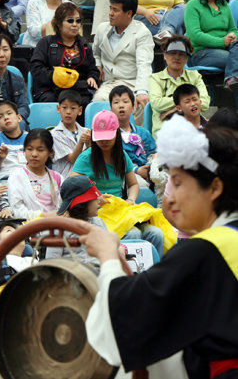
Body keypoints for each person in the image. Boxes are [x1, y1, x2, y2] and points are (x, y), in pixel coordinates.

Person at [81, 115, 238, 379]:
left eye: (178, 182)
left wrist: (108, 257)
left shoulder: (204, 250)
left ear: (214, 188)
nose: (171, 198)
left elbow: (127, 316)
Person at [71, 109, 164, 254]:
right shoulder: (86, 158)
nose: (104, 141)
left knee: (156, 233)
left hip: (119, 212)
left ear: (117, 134)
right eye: (100, 137)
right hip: (98, 215)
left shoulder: (122, 156)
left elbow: (133, 184)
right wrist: (94, 198)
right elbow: (70, 187)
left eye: (108, 137)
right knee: (134, 234)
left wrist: (131, 199)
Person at [92, 0, 154, 122]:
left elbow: (144, 64)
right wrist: (98, 64)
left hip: (132, 83)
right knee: (98, 103)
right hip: (110, 83)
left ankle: (135, 140)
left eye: (115, 10)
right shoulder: (102, 28)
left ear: (129, 13)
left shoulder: (142, 33)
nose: (110, 13)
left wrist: (142, 91)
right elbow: (95, 52)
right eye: (110, 8)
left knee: (139, 105)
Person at [30, 2, 100, 111]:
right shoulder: (46, 42)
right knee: (51, 101)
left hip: (77, 89)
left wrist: (92, 77)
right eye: (70, 20)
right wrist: (57, 76)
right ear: (58, 23)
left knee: (85, 103)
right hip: (51, 89)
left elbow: (92, 69)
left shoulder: (84, 45)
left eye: (78, 21)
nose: (75, 24)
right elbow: (36, 68)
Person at [185, 0, 238, 95]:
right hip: (202, 52)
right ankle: (231, 78)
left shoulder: (224, 5)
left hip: (228, 49)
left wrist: (232, 36)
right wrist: (222, 41)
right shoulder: (193, 5)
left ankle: (231, 78)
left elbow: (233, 29)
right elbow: (195, 35)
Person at [149, 35, 210, 137]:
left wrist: (175, 108)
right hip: (166, 133)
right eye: (173, 53)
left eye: (181, 54)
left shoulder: (195, 76)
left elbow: (205, 103)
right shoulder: (156, 78)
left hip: (194, 130)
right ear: (164, 56)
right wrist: (189, 103)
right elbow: (157, 104)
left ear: (186, 59)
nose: (177, 57)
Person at [46, 175, 109, 263]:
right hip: (72, 273)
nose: (98, 201)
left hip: (101, 273)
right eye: (94, 198)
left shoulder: (99, 223)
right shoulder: (60, 229)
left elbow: (110, 249)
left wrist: (121, 249)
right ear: (83, 203)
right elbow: (51, 262)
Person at [8, 128, 63, 220]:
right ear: (24, 150)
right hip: (29, 228)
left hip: (55, 227)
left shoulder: (58, 178)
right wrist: (43, 216)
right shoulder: (16, 176)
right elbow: (17, 210)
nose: (34, 154)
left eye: (40, 150)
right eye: (29, 149)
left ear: (50, 153)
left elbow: (63, 206)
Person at [109, 85, 156, 188]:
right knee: (141, 185)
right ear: (111, 109)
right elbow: (114, 160)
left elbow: (153, 153)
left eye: (125, 102)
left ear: (133, 107)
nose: (121, 105)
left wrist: (151, 166)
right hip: (125, 173)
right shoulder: (110, 136)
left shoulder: (143, 132)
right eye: (116, 102)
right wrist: (136, 170)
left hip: (148, 170)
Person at [51, 90, 91, 179]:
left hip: (86, 177)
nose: (68, 112)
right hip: (65, 179)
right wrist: (81, 142)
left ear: (80, 110)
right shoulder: (55, 134)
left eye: (73, 108)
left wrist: (89, 145)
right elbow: (73, 159)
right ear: (58, 109)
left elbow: (91, 156)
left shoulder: (86, 131)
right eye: (64, 107)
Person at [0, 100, 28, 183]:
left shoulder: (29, 137)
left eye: (9, 113)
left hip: (27, 178)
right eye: (0, 117)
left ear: (19, 118)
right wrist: (1, 158)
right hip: (5, 179)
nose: (6, 117)